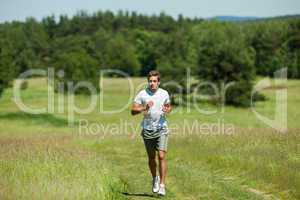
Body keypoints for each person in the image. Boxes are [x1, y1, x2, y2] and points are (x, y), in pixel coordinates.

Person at [131, 70, 172, 196]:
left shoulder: (164, 93)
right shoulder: (142, 94)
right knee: (151, 158)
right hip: (148, 129)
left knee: (161, 156)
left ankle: (162, 185)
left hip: (162, 128)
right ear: (148, 82)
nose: (152, 83)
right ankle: (155, 178)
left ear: (158, 82)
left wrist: (167, 109)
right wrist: (144, 108)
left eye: (154, 81)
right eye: (150, 81)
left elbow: (169, 106)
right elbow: (133, 111)